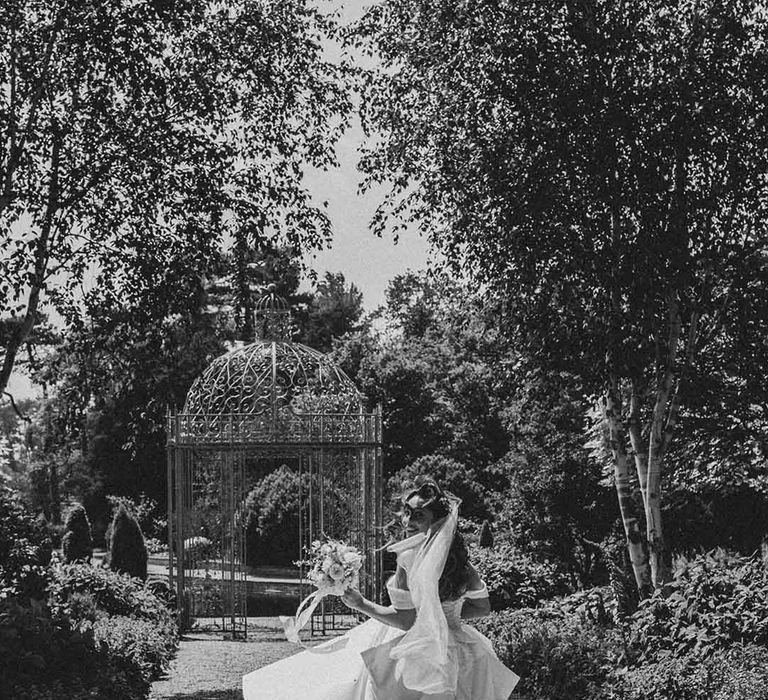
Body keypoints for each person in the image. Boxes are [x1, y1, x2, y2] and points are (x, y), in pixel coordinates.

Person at [242, 478, 519, 700]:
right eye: (407, 513)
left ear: (438, 522)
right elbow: (483, 607)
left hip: (412, 651)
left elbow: (405, 620)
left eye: (418, 515)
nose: (408, 522)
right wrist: (447, 620)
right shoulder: (463, 566)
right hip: (460, 654)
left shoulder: (407, 559)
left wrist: (360, 603)